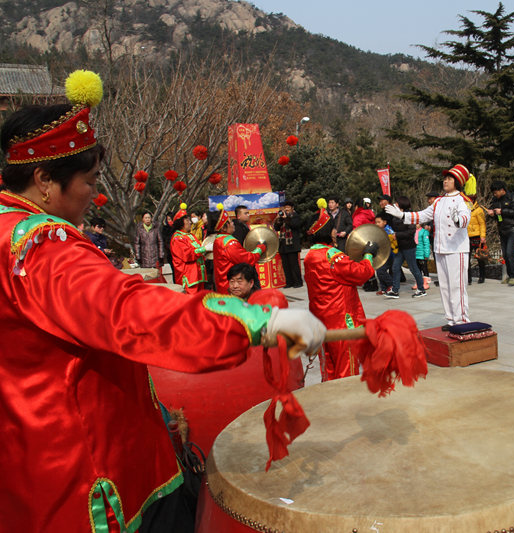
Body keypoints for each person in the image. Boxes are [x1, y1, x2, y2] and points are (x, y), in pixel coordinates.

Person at [0, 72, 326, 533]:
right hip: (88, 475)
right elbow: (125, 309)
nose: (94, 194)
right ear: (44, 180)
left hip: (28, 464)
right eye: (90, 181)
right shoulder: (41, 246)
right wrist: (256, 321)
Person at [386, 164, 472, 329]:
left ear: (457, 182)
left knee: (457, 286)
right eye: (445, 178)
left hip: (456, 249)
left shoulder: (462, 200)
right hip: (440, 249)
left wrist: (458, 219)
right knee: (445, 287)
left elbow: (465, 219)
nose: (445, 181)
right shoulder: (438, 201)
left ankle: (461, 320)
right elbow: (422, 215)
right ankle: (451, 319)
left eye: (449, 179)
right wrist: (401, 215)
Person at [303, 203, 378, 381]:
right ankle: (346, 406)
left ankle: (330, 405)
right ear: (330, 233)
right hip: (341, 324)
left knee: (328, 368)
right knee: (346, 369)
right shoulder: (333, 256)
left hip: (320, 321)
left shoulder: (309, 257)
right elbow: (362, 274)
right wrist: (368, 255)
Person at [208, 205, 265, 295]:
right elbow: (246, 259)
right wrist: (260, 249)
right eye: (230, 222)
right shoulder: (229, 243)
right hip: (233, 286)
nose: (233, 223)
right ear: (223, 228)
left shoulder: (218, 240)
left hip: (223, 284)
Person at [385, 195, 426, 299]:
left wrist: (397, 235)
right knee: (395, 267)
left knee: (413, 268)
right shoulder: (395, 216)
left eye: (397, 203)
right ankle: (395, 290)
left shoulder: (409, 215)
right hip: (400, 247)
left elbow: (411, 231)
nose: (395, 205)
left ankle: (421, 289)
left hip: (409, 247)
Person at [487, 180, 514, 285]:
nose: (494, 194)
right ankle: (510, 275)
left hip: (513, 228)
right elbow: (494, 213)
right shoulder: (495, 200)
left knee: (510, 252)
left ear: (502, 190)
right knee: (505, 255)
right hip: (502, 229)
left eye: (495, 192)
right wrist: (491, 213)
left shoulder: (511, 198)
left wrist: (502, 211)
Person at [170, 203, 208, 293]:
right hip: (189, 276)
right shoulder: (177, 238)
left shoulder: (190, 235)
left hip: (198, 274)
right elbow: (187, 255)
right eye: (187, 220)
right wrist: (204, 249)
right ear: (181, 222)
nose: (190, 222)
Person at [273, 201, 304, 288]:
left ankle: (298, 282)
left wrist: (286, 218)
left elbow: (294, 225)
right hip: (283, 244)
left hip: (292, 244)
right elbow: (276, 228)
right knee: (286, 265)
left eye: (288, 207)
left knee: (294, 265)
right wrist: (278, 219)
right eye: (285, 207)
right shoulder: (282, 217)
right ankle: (289, 282)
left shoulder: (295, 216)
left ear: (292, 208)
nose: (286, 209)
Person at [467, 195, 487, 284]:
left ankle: (482, 276)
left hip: (477, 236)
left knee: (480, 258)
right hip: (466, 236)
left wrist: (483, 236)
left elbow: (482, 224)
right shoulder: (464, 210)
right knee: (466, 258)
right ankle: (468, 278)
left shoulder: (479, 210)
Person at [416, 222, 432, 290]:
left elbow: (426, 244)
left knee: (424, 268)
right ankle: (418, 282)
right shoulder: (414, 232)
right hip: (416, 254)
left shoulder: (424, 232)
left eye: (417, 223)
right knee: (417, 269)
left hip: (422, 254)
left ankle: (426, 282)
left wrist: (426, 254)